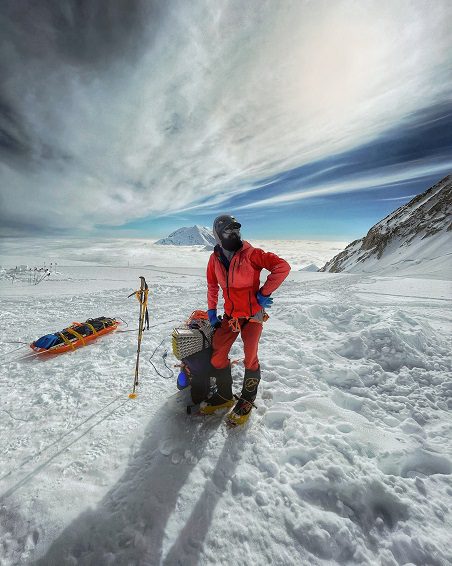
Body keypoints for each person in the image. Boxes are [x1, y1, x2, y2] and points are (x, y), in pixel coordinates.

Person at [200, 214, 291, 425]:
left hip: (253, 316)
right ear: (217, 234)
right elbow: (213, 286)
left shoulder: (252, 254)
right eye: (228, 231)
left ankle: (247, 399)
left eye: (236, 230)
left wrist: (264, 293)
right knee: (217, 353)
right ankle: (223, 396)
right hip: (231, 316)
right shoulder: (214, 259)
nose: (234, 234)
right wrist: (211, 311)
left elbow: (282, 267)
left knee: (250, 356)